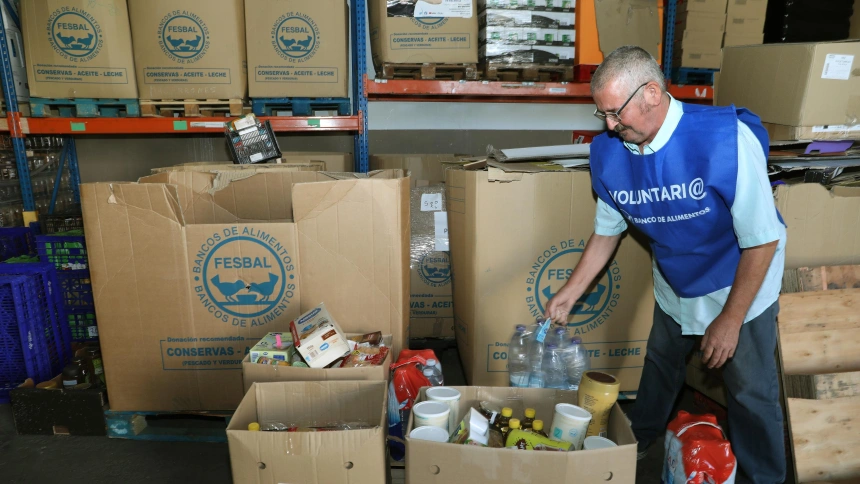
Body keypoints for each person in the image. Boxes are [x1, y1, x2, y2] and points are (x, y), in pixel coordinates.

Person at [544, 46, 786, 483]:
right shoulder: (610, 153)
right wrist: (570, 292)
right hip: (676, 278)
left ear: (652, 93)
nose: (611, 126)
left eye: (616, 113)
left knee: (750, 389)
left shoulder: (724, 139)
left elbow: (762, 240)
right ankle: (638, 442)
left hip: (740, 277)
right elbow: (607, 231)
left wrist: (731, 320)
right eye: (603, 115)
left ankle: (764, 476)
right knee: (660, 364)